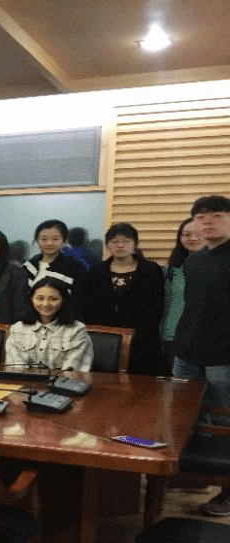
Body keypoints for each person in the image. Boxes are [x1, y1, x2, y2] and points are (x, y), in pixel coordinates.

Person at [173, 195, 230, 516]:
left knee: (225, 424)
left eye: (216, 215)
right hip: (188, 354)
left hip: (224, 358)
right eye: (200, 216)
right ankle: (197, 477)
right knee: (191, 420)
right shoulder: (194, 261)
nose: (207, 221)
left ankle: (227, 490)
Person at [86, 223, 164, 375]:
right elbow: (89, 305)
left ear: (135, 243)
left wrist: (138, 332)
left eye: (126, 241)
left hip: (143, 338)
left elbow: (157, 306)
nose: (120, 245)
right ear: (107, 245)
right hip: (105, 338)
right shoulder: (97, 270)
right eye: (114, 241)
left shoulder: (150, 270)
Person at [5, 276, 93, 372]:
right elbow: (15, 369)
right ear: (31, 299)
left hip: (63, 381)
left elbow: (72, 371)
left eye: (53, 299)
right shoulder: (18, 328)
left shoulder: (77, 330)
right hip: (23, 380)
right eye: (40, 298)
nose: (45, 304)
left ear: (63, 300)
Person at [160, 218, 206, 373]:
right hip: (174, 337)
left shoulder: (221, 268)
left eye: (199, 234)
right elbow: (165, 305)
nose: (193, 238)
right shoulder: (171, 269)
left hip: (210, 339)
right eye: (186, 234)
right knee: (178, 385)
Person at [23, 220, 88, 318]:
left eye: (55, 239)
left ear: (64, 241)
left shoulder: (75, 267)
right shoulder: (29, 266)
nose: (49, 243)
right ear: (37, 241)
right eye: (43, 239)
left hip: (64, 321)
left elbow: (79, 302)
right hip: (30, 320)